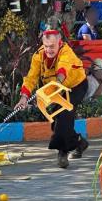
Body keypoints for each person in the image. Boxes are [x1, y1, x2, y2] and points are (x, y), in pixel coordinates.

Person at [14, 30, 88, 168]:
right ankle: (79, 142)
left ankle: (62, 152)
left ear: (59, 43)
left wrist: (58, 82)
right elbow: (31, 77)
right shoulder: (38, 55)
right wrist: (24, 97)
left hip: (76, 86)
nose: (48, 50)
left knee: (64, 114)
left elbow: (62, 69)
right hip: (56, 88)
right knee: (56, 120)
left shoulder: (66, 52)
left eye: (52, 46)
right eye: (46, 46)